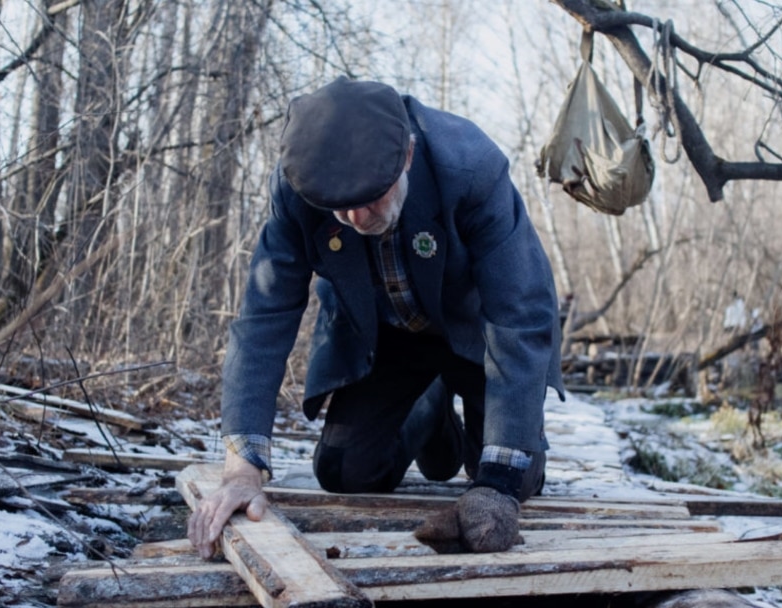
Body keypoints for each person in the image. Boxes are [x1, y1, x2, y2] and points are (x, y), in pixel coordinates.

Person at [187, 76, 564, 556]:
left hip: (479, 335)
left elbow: (520, 312)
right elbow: (265, 316)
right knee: (344, 472)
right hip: (388, 337)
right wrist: (242, 469)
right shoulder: (296, 187)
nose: (357, 219)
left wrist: (500, 480)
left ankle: (475, 429)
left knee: (512, 478)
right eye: (339, 209)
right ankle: (429, 410)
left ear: (406, 155)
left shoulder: (469, 165)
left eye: (371, 198)